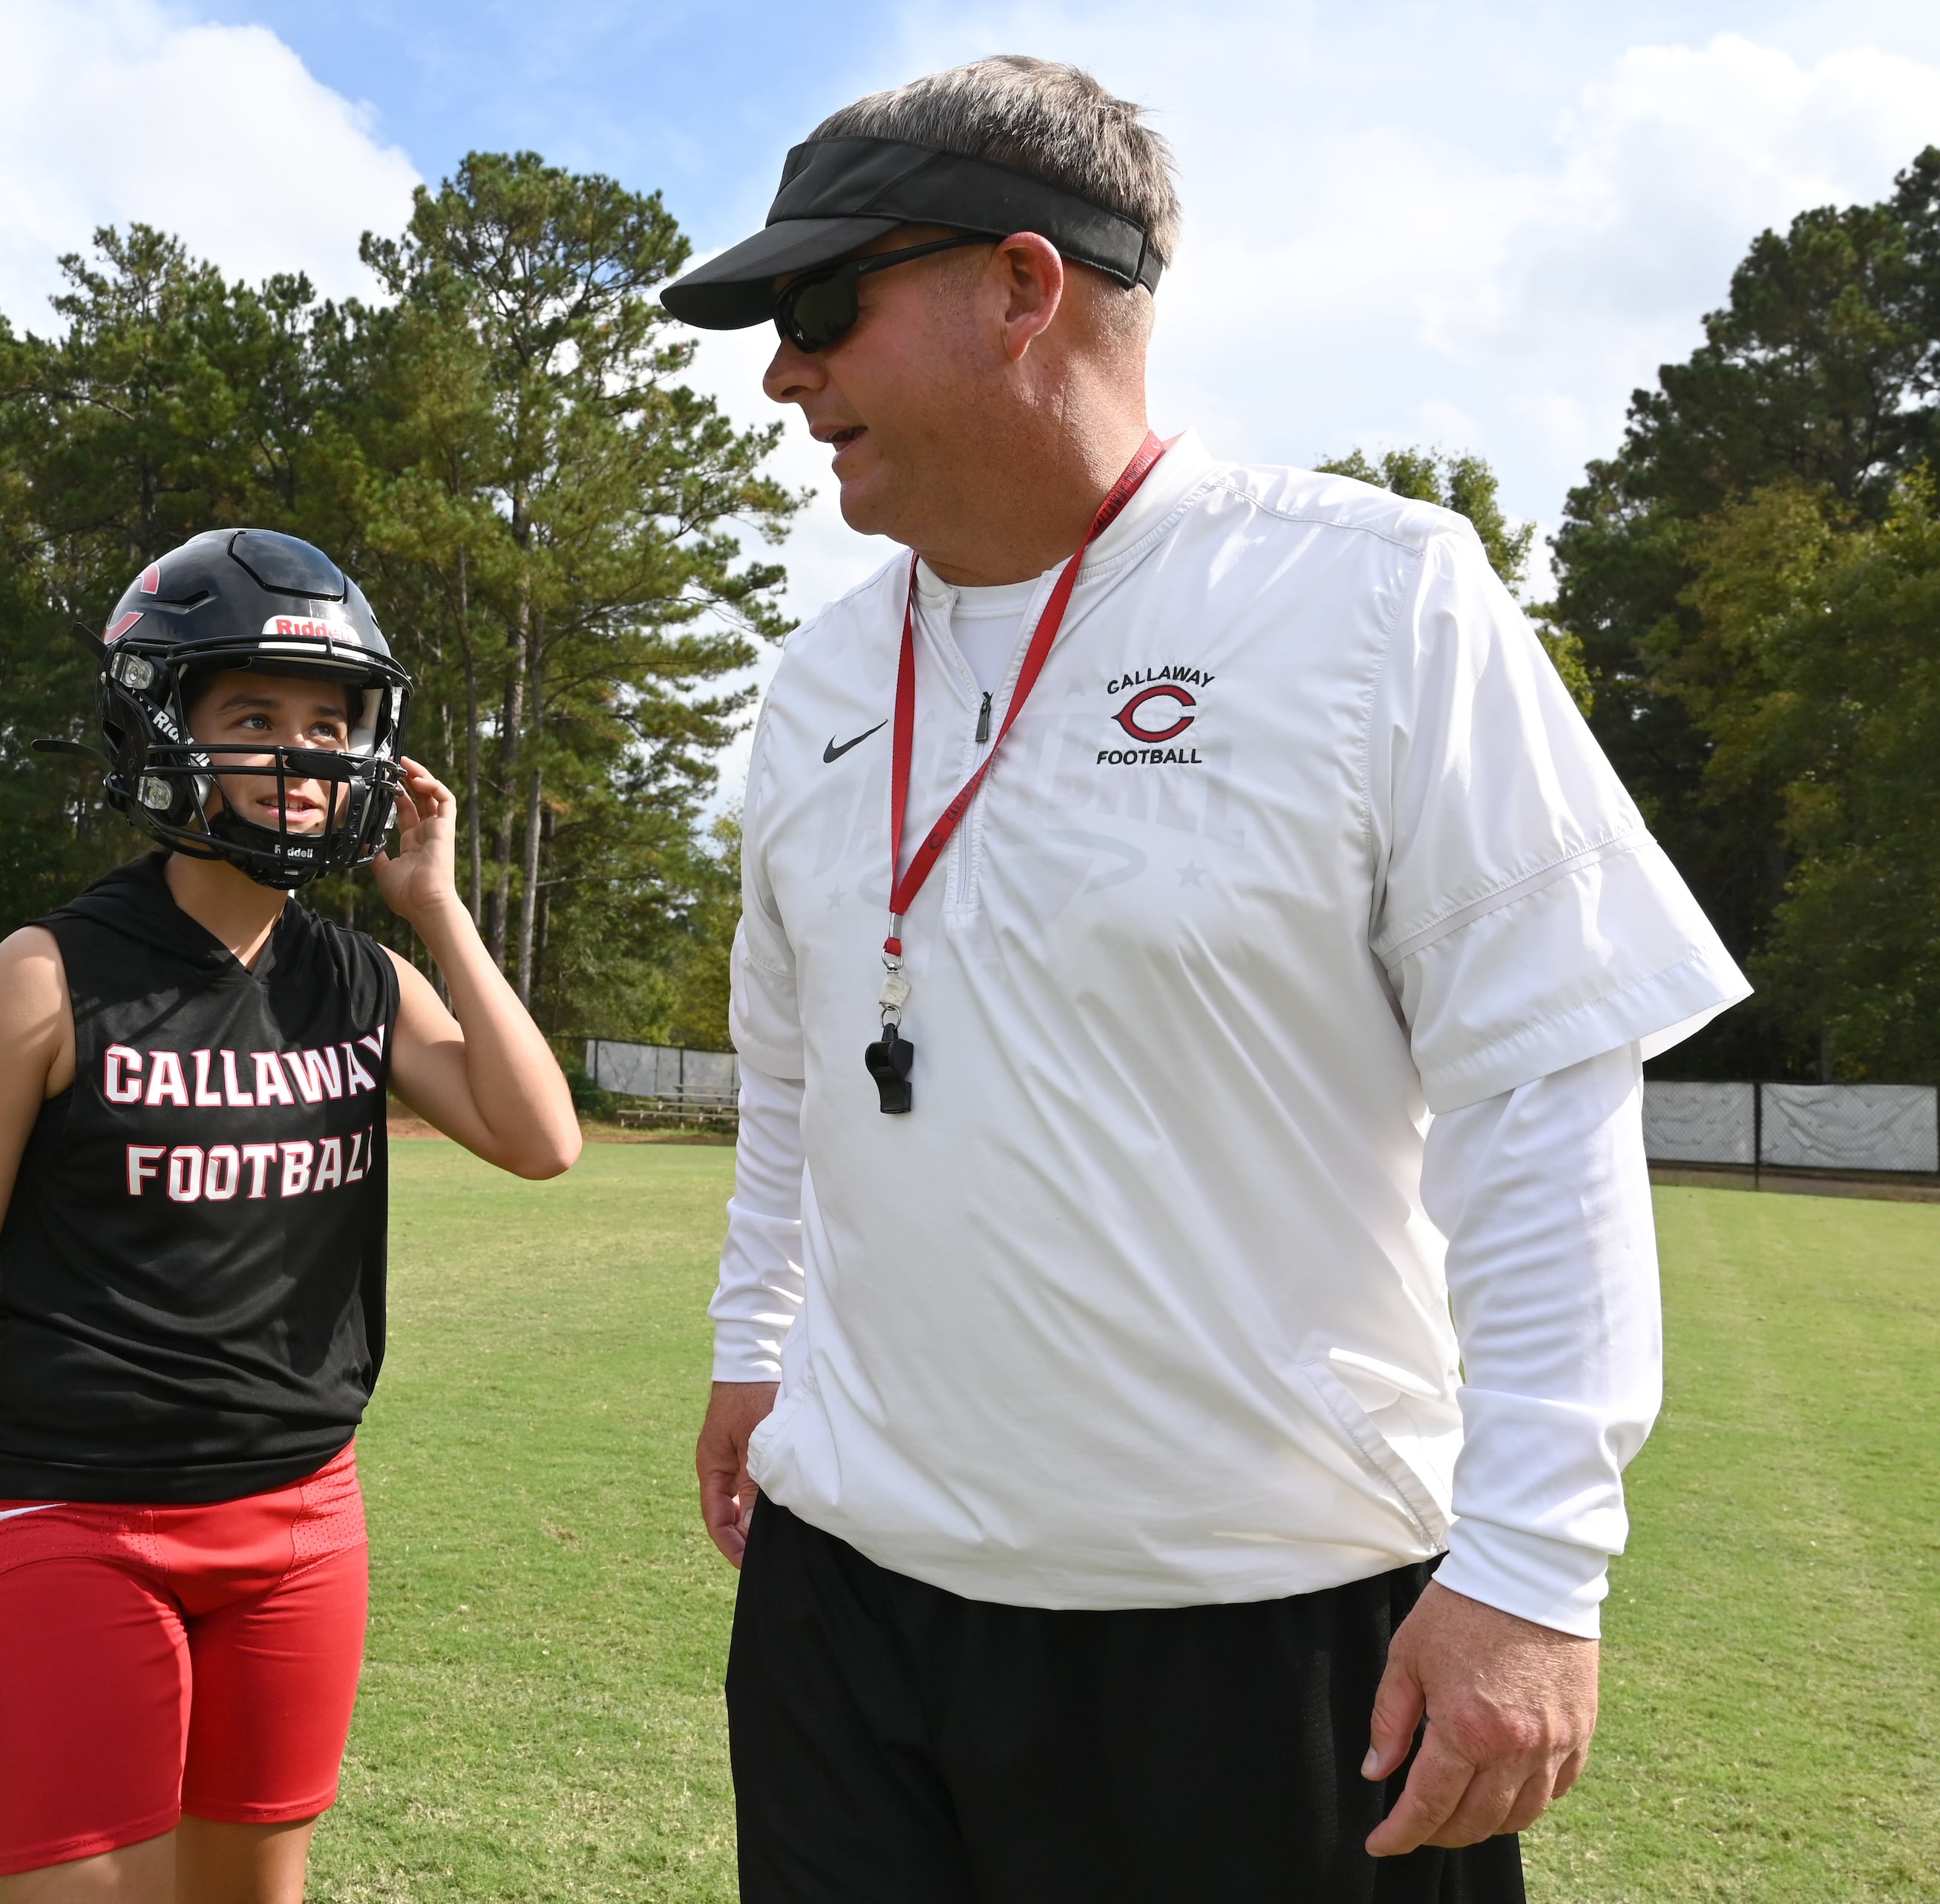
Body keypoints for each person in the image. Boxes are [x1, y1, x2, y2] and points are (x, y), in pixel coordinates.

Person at [662, 57, 1748, 1903]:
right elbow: (793, 1075)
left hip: (1261, 1634)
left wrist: (1537, 1567)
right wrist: (755, 1347)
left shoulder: (1375, 601)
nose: (783, 370)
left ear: (1026, 288)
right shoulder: (820, 683)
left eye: (822, 306)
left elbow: (1544, 1091)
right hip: (852, 1614)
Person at [0, 528, 580, 1904]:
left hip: (302, 1524)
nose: (303, 757)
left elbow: (543, 1137)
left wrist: (437, 909)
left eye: (329, 721)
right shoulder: (46, 977)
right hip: (76, 1523)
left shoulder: (359, 979)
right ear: (161, 723)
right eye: (254, 717)